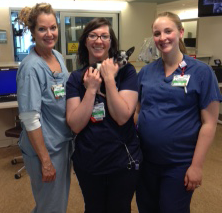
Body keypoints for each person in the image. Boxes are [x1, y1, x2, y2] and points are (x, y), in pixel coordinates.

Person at [135, 12, 222, 213]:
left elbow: (209, 123)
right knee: (146, 208)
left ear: (180, 32)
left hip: (178, 164)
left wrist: (197, 166)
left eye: (168, 31)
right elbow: (137, 111)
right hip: (145, 161)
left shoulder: (201, 72)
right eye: (157, 33)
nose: (162, 37)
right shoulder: (146, 72)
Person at [66, 17, 142, 213]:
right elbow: (75, 124)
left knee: (120, 208)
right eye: (92, 35)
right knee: (94, 209)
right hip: (89, 162)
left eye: (104, 36)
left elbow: (122, 116)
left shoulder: (127, 73)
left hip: (122, 161)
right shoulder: (76, 78)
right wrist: (91, 89)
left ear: (111, 43)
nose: (98, 40)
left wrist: (108, 79)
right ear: (85, 41)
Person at [16, 3, 73, 213]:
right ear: (32, 32)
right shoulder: (31, 68)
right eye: (42, 29)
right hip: (45, 149)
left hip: (61, 143)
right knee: (51, 207)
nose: (49, 34)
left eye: (53, 27)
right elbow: (30, 119)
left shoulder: (56, 56)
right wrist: (46, 161)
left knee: (53, 203)